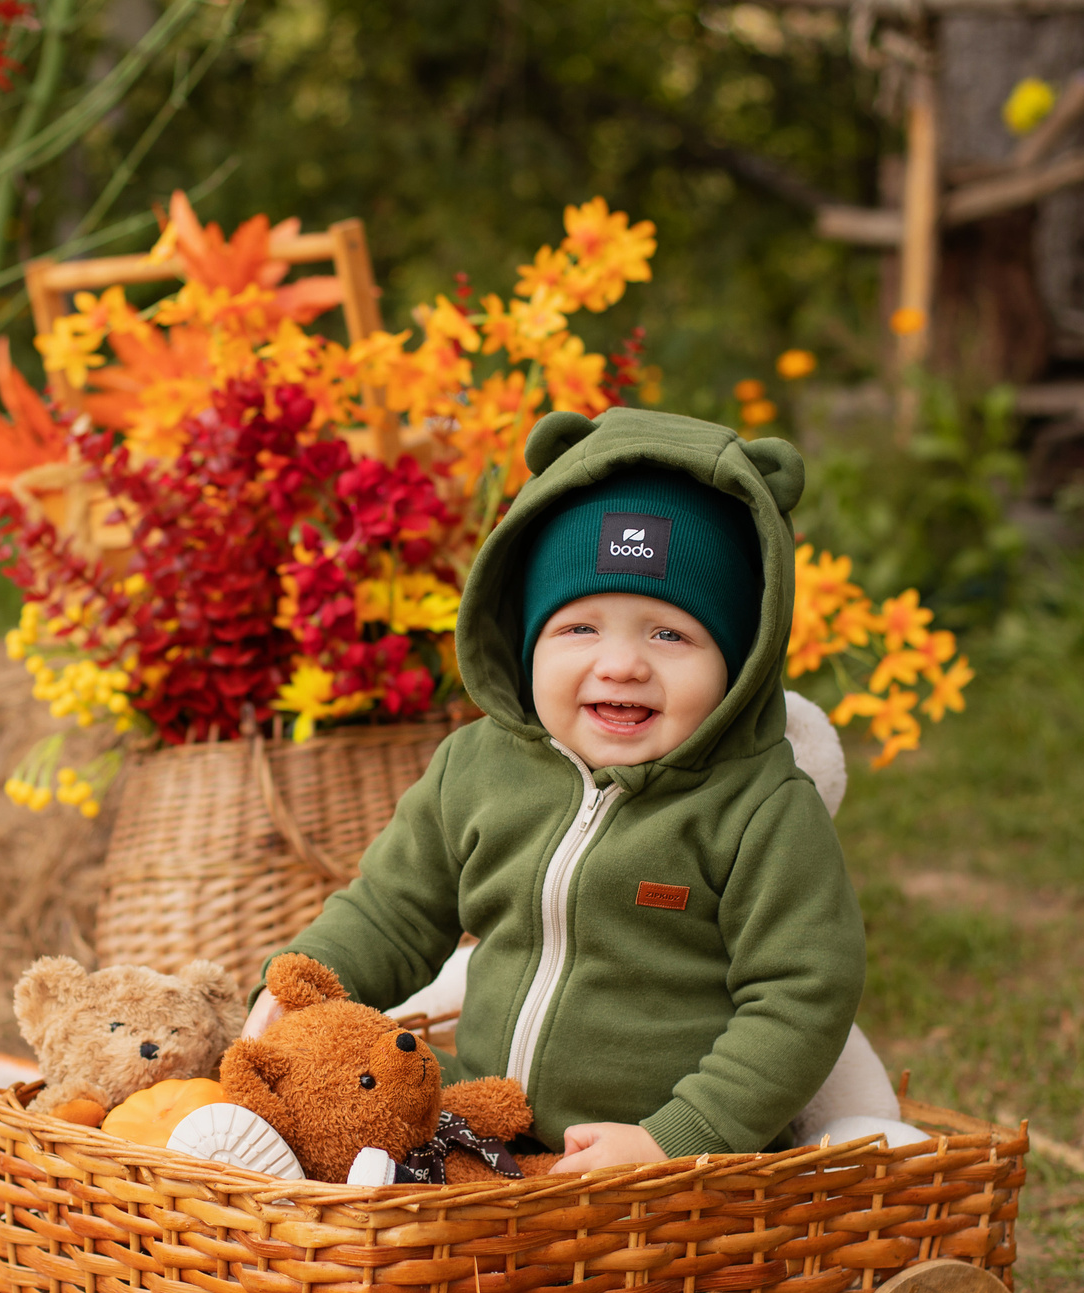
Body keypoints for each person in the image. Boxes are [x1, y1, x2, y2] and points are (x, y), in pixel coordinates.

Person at [243, 406, 864, 1174]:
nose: (622, 664)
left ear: (738, 667)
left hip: (664, 1168)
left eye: (669, 634)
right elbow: (393, 910)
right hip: (481, 1130)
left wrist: (679, 1135)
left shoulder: (759, 810)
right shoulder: (479, 768)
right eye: (580, 629)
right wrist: (305, 983)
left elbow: (803, 992)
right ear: (526, 638)